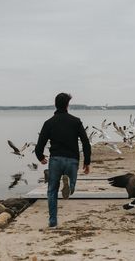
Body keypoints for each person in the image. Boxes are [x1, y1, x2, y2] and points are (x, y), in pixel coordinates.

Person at [35, 92, 91, 228]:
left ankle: (53, 221)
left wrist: (40, 157)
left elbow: (40, 144)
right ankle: (69, 184)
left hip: (55, 160)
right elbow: (85, 142)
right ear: (67, 105)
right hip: (72, 160)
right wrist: (87, 161)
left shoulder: (49, 123)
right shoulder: (76, 121)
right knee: (72, 188)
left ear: (55, 105)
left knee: (52, 190)